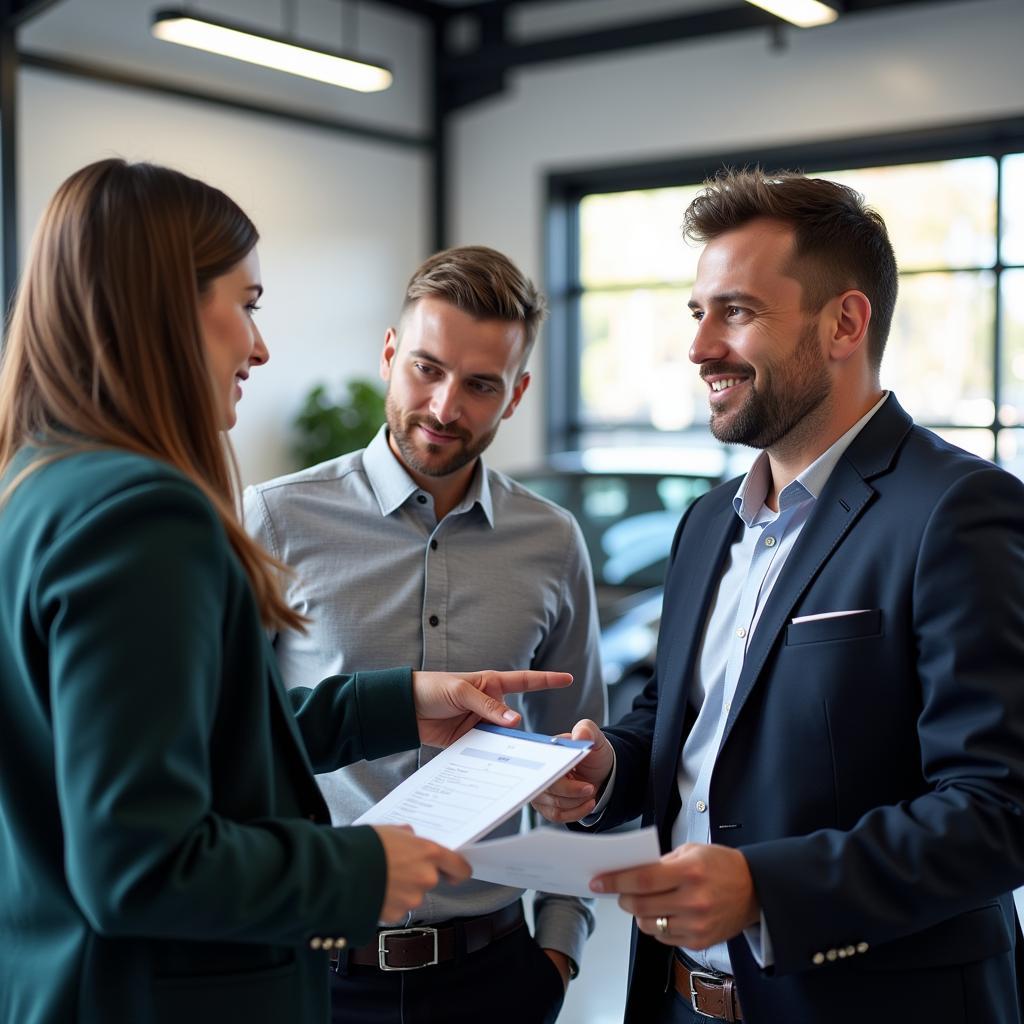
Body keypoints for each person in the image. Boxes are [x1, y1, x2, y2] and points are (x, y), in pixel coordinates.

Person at [0, 158, 572, 1024]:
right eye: (249, 303)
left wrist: (394, 702)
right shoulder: (143, 516)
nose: (260, 345)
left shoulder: (41, 483)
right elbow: (139, 862)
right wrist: (366, 870)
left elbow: (190, 745)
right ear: (164, 305)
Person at [534, 170, 1024, 1023]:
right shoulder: (705, 523)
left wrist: (767, 888)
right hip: (681, 1001)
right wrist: (610, 767)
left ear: (844, 322)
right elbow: (682, 723)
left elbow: (998, 808)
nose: (700, 348)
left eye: (738, 311)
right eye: (698, 313)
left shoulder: (956, 509)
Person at [244, 245, 606, 1024]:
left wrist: (558, 950)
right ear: (387, 354)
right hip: (315, 972)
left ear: (517, 396)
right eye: (426, 368)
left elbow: (579, 764)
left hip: (496, 977)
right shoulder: (273, 519)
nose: (445, 408)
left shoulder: (553, 541)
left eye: (481, 385)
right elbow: (234, 744)